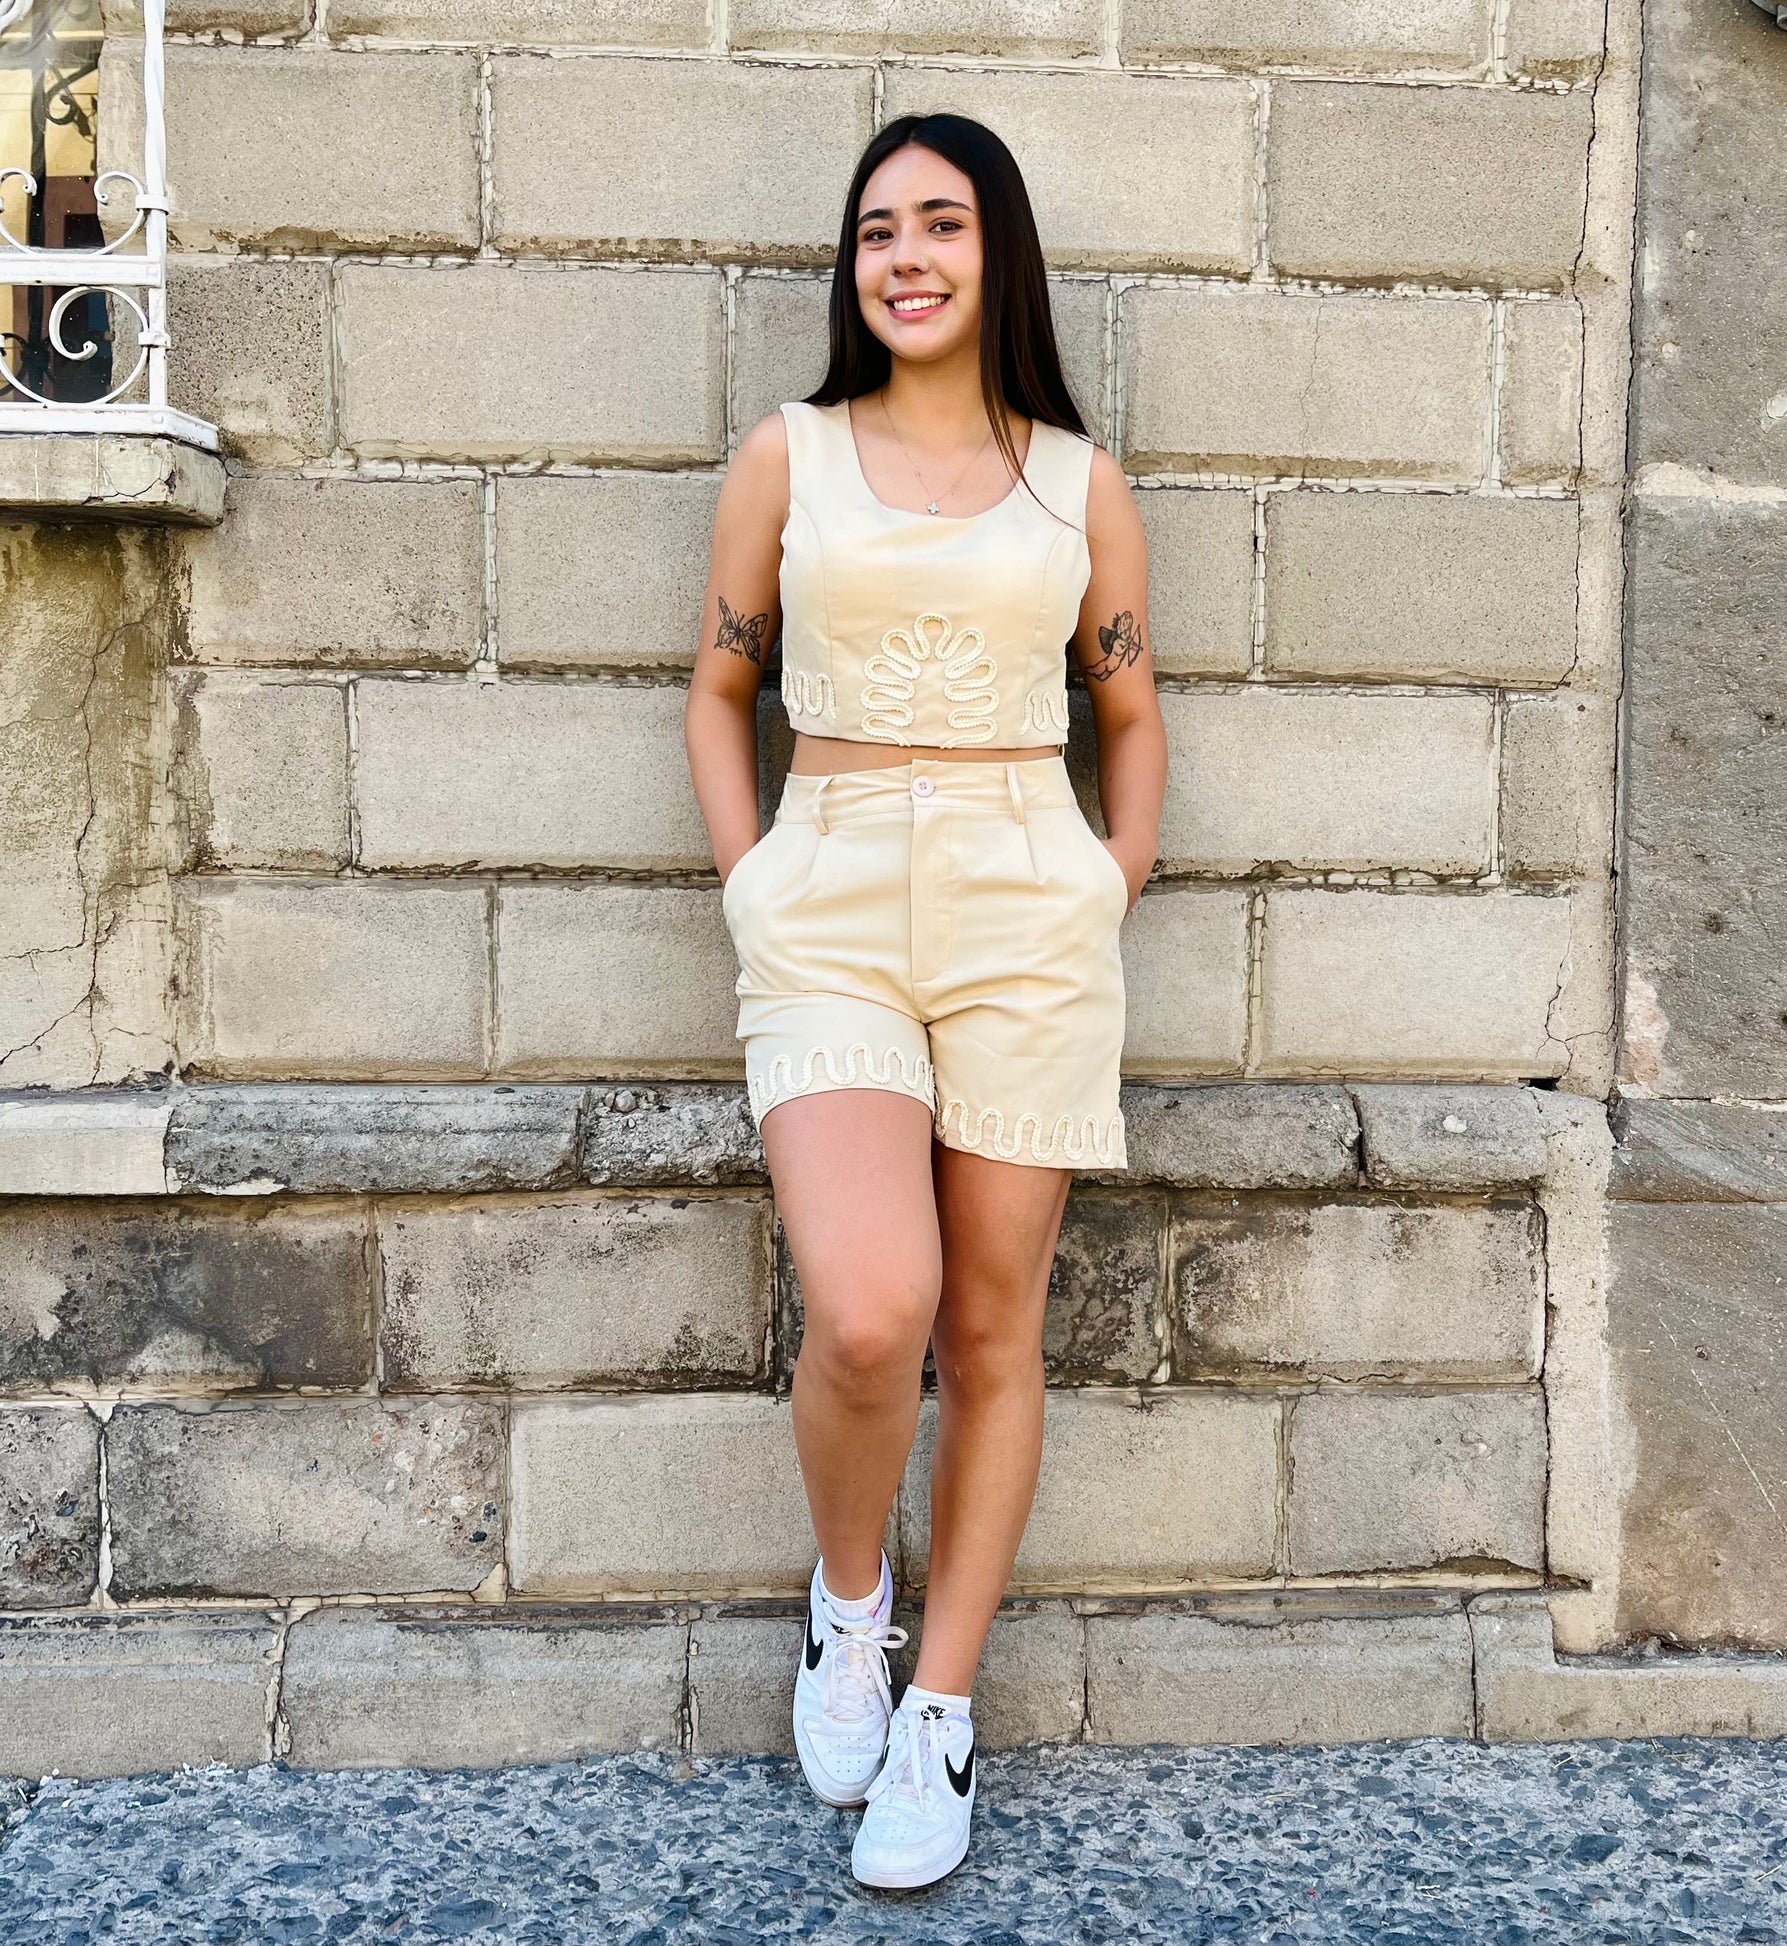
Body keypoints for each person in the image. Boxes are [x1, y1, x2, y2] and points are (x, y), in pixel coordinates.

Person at [683, 111, 1167, 1890]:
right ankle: (849, 1603)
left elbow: (1130, 714)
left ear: (994, 252)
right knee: (872, 1308)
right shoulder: (788, 456)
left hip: (1025, 897)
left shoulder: (1075, 482)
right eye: (877, 228)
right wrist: (753, 877)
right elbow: (715, 691)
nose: (905, 256)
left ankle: (938, 1709)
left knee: (990, 1328)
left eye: (941, 224)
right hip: (826, 894)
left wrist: (1101, 882)